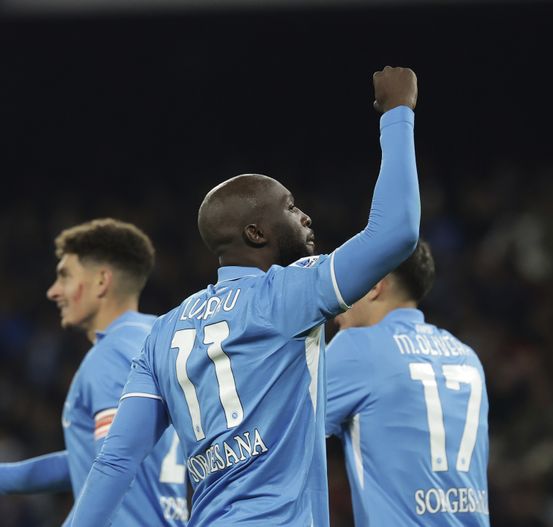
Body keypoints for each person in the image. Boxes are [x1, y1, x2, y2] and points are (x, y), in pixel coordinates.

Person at [70, 65, 420, 526]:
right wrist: (398, 114)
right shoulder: (288, 294)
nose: (306, 217)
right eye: (291, 208)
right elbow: (395, 233)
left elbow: (115, 463)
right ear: (256, 233)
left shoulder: (162, 333)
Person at [0, 218, 188, 526]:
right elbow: (90, 459)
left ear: (102, 281)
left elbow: (113, 470)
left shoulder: (111, 353)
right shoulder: (157, 337)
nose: (53, 291)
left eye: (65, 276)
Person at [326, 240, 490, 526]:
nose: (335, 307)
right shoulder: (467, 357)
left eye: (345, 285)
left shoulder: (357, 348)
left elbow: (281, 430)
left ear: (375, 285)